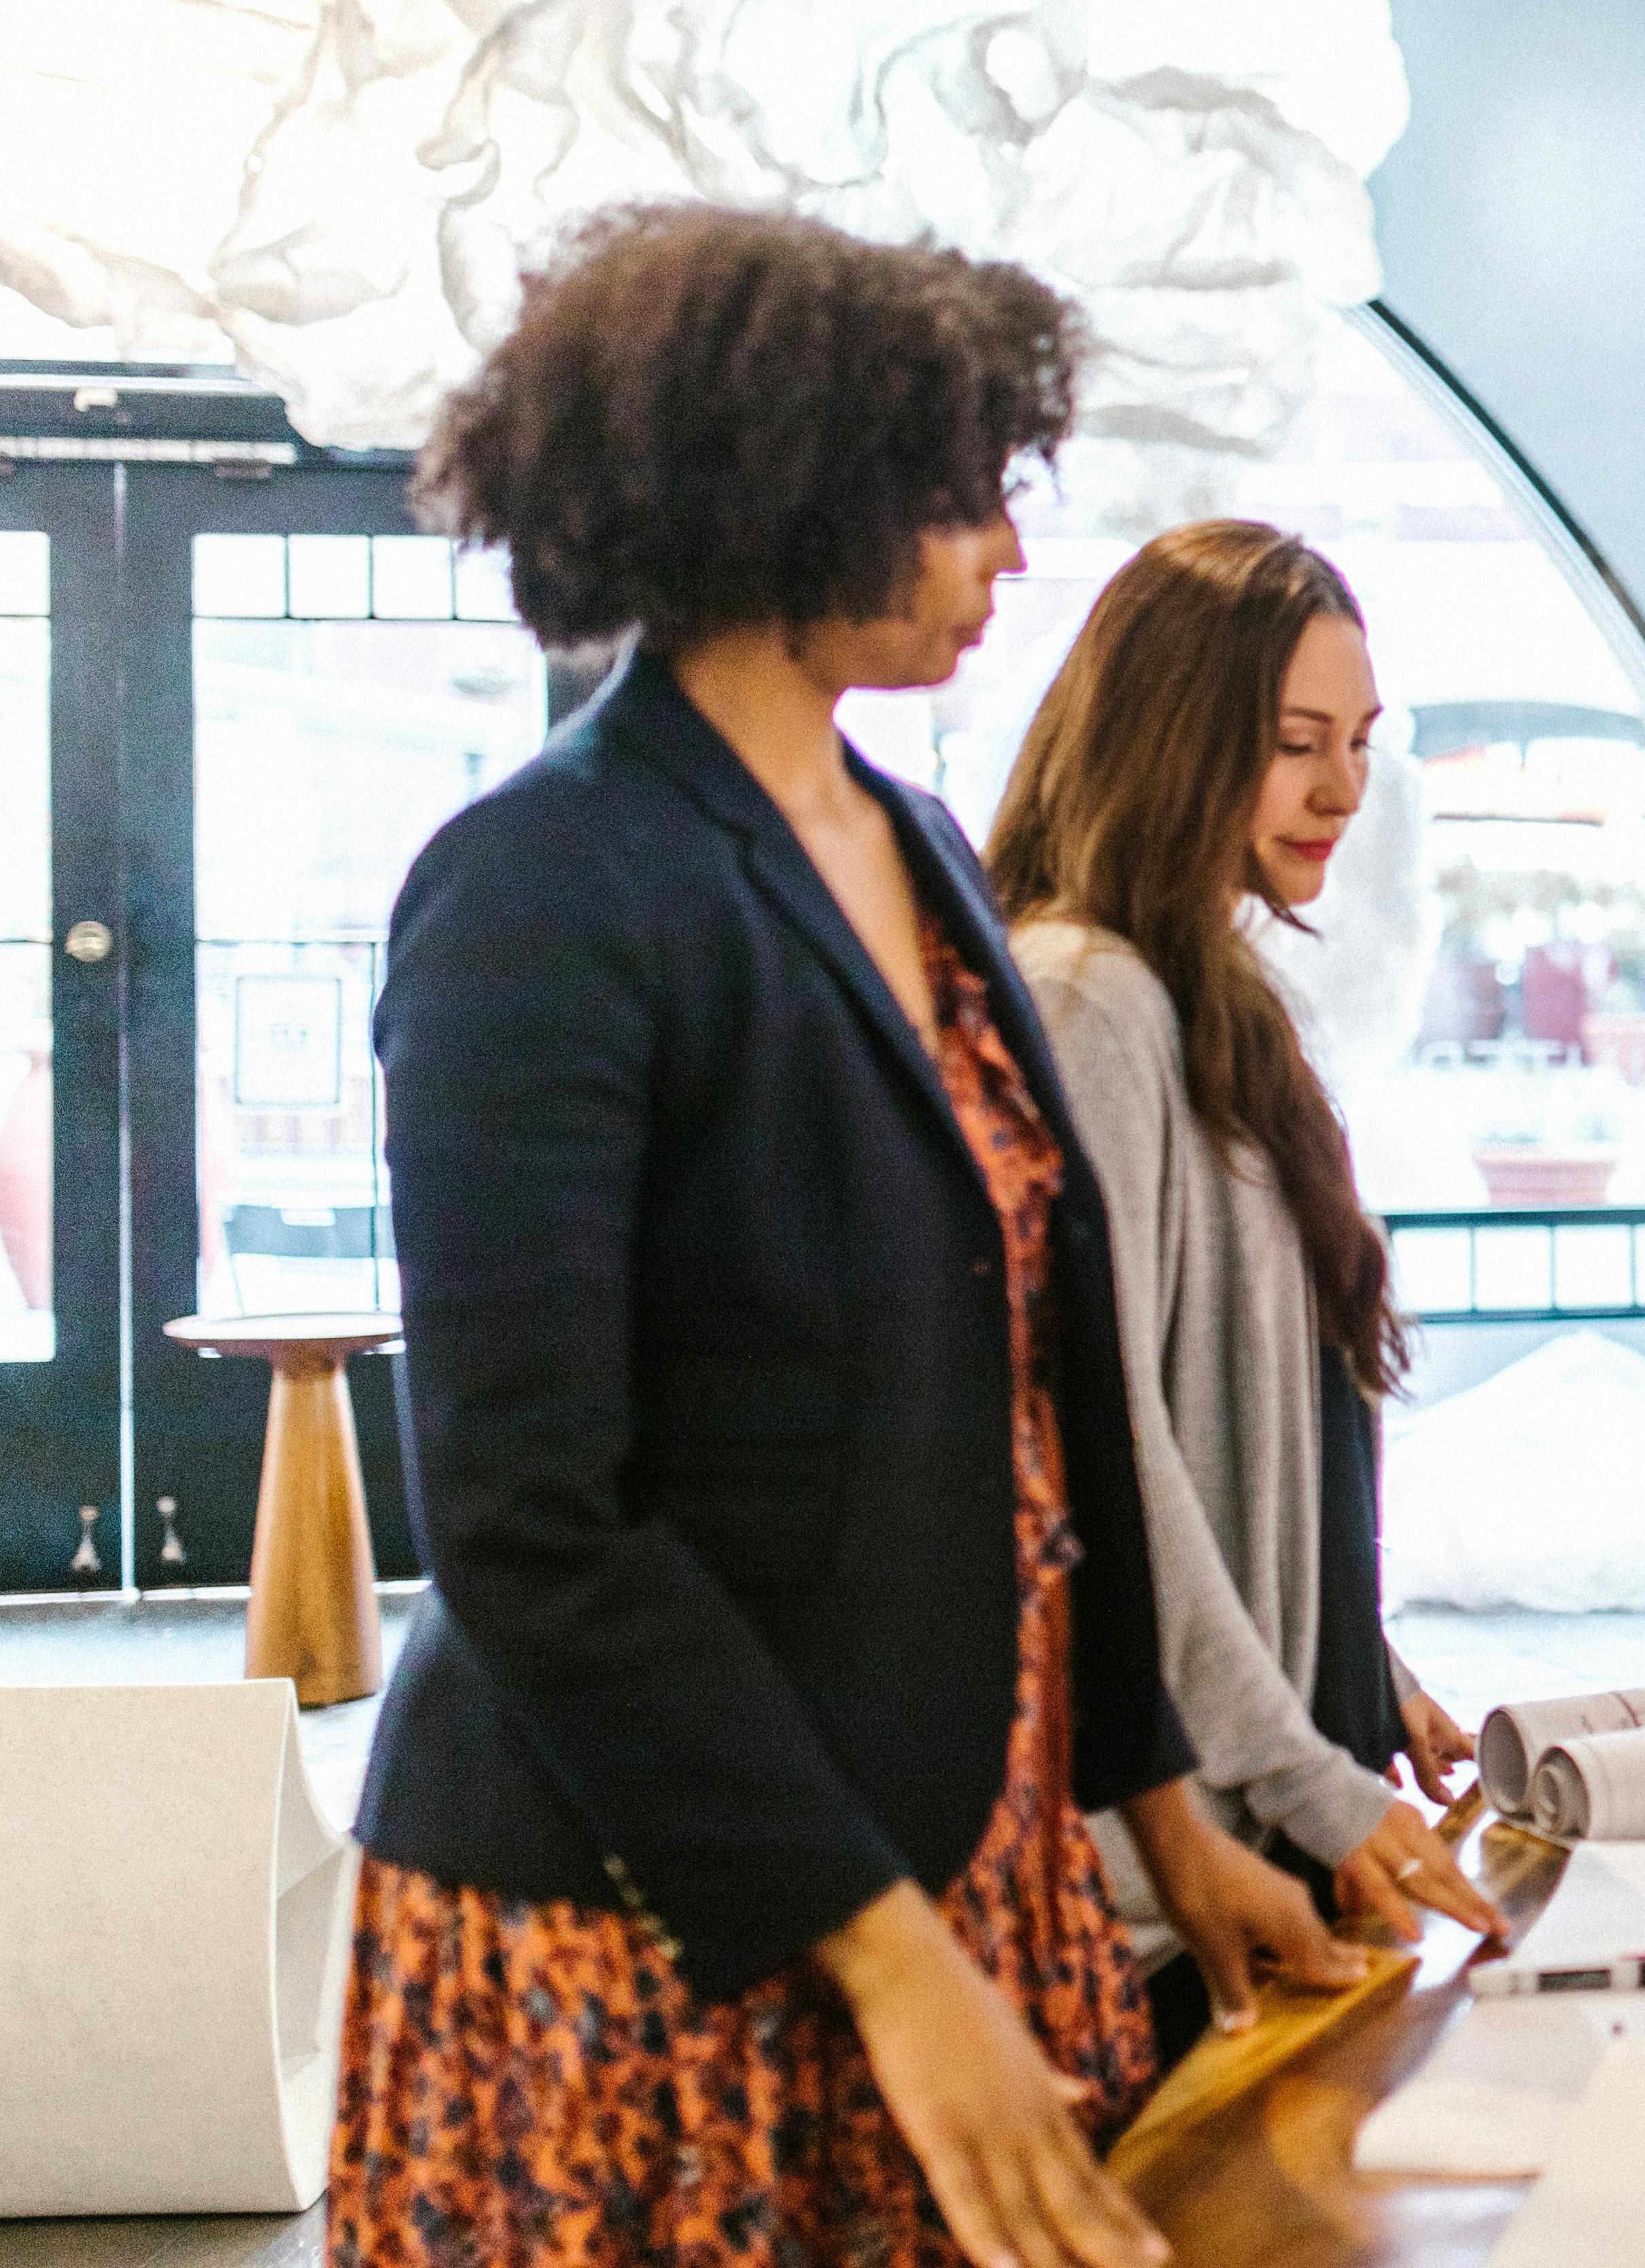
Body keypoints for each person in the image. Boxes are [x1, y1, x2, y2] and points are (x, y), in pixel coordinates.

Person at [343, 205, 1353, 2268]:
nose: (1003, 552)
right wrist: (887, 1958)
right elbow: (534, 1518)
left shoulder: (910, 845)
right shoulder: (541, 885)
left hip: (950, 1847)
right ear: (787, 484)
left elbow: (1048, 1391)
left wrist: (1164, 1807)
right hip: (655, 1903)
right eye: (961, 491)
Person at [986, 519, 1511, 2044]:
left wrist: (1362, 1672)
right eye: (1295, 744)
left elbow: (1255, 1432)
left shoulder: (1213, 993)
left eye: (1358, 742)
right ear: (1170, 733)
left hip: (1255, 1813)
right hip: (1160, 1864)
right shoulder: (1086, 996)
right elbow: (1110, 1451)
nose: (1342, 790)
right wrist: (1292, 1768)